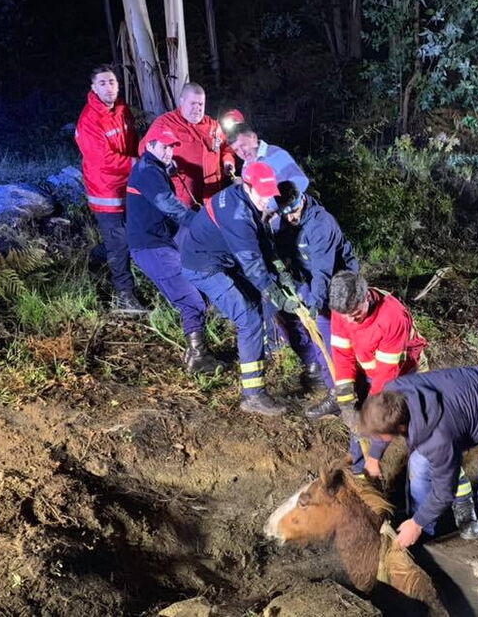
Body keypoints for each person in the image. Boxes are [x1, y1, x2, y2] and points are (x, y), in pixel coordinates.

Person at [358, 367, 478, 617]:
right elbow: (384, 424)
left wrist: (416, 522)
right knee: (418, 464)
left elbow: (444, 492)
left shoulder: (438, 438)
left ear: (400, 427)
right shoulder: (393, 393)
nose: (380, 439)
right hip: (476, 400)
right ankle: (425, 540)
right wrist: (373, 458)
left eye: (382, 437)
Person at [328, 271, 478, 540]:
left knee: (430, 446)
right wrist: (347, 402)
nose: (350, 320)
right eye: (345, 315)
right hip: (372, 373)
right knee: (359, 440)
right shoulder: (342, 310)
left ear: (366, 297)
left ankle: (461, 503)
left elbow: (386, 387)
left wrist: (376, 455)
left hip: (408, 378)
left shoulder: (392, 316)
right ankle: (369, 506)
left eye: (355, 313)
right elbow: (342, 355)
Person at [180, 162, 327, 416]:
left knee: (262, 308)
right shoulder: (236, 215)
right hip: (205, 267)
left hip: (226, 259)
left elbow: (264, 243)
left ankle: (310, 366)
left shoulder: (247, 199)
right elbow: (253, 264)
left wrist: (281, 273)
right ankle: (254, 395)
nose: (266, 200)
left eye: (269, 194)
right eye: (262, 194)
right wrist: (277, 294)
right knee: (249, 319)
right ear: (247, 186)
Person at [125, 126, 223, 375]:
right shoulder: (148, 171)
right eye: (164, 146)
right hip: (151, 246)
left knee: (199, 283)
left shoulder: (154, 167)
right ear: (150, 145)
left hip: (162, 239)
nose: (169, 151)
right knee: (191, 300)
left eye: (171, 147)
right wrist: (199, 223)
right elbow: (168, 205)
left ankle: (195, 351)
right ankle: (198, 357)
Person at [272, 182, 359, 418]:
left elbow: (323, 271)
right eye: (284, 212)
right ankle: (335, 390)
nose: (290, 217)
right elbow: (281, 249)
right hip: (309, 281)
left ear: (302, 199)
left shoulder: (321, 224)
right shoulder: (286, 220)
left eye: (293, 210)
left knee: (334, 339)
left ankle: (347, 396)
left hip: (338, 283)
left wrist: (315, 304)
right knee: (318, 337)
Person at [75, 64, 144, 313]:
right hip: (106, 191)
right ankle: (124, 295)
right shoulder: (89, 120)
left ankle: (94, 260)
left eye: (112, 82)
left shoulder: (122, 110)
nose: (108, 87)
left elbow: (133, 142)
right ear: (93, 88)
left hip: (128, 185)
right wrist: (138, 164)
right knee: (119, 242)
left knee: (127, 237)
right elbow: (103, 160)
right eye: (102, 83)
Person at [138, 83, 235, 208]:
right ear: (182, 101)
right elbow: (145, 151)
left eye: (200, 104)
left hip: (212, 197)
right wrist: (165, 164)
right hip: (183, 200)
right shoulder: (165, 123)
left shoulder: (213, 125)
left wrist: (228, 162)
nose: (197, 108)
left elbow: (226, 149)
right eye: (192, 103)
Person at [230, 125, 309, 196]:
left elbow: (301, 181)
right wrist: (242, 188)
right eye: (236, 150)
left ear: (253, 137)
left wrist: (279, 203)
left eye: (243, 145)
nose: (242, 152)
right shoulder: (245, 169)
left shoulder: (276, 154)